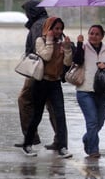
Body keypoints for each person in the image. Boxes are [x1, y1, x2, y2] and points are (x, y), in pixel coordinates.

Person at [22, 16, 73, 158]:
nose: (58, 31)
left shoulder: (62, 43)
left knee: (60, 115)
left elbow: (67, 64)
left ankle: (63, 146)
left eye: (61, 29)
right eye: (56, 28)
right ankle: (27, 144)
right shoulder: (41, 41)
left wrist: (68, 49)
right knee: (37, 115)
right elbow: (46, 57)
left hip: (55, 83)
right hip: (41, 82)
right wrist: (50, 41)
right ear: (48, 28)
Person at [15, 0, 58, 150]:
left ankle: (31, 137)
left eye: (27, 11)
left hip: (38, 70)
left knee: (24, 100)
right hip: (51, 71)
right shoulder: (49, 22)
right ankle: (60, 139)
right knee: (52, 105)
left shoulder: (39, 25)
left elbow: (39, 49)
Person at [72, 25, 105, 158]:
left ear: (102, 36)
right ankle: (94, 150)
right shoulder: (82, 47)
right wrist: (79, 43)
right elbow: (77, 61)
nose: (93, 36)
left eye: (97, 34)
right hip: (85, 91)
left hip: (103, 92)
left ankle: (87, 138)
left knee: (100, 121)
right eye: (91, 33)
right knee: (92, 121)